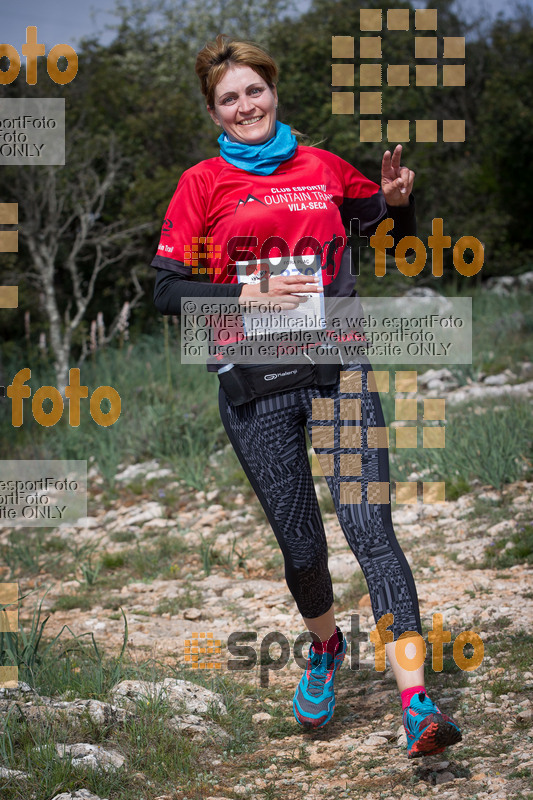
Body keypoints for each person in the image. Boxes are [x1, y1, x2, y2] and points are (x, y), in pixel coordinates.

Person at [151, 34, 462, 758]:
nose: (244, 105)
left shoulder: (322, 167)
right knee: (301, 550)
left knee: (371, 529)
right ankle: (323, 647)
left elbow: (389, 238)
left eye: (253, 90)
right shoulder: (201, 183)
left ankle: (416, 703)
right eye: (228, 98)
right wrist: (245, 291)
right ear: (213, 113)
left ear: (273, 91)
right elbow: (166, 290)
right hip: (253, 384)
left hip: (339, 368)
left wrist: (396, 203)